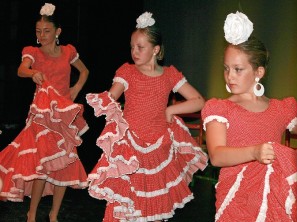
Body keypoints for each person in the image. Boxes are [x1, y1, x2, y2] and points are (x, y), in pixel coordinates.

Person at [85, 11, 208, 221]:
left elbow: (199, 100)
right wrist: (107, 101)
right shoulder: (128, 72)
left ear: (155, 49)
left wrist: (171, 110)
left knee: (156, 206)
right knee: (127, 206)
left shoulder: (169, 74)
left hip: (159, 148)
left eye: (140, 47)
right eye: (132, 46)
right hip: (131, 147)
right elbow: (113, 94)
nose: (134, 51)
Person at [201, 11, 297, 221]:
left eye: (238, 69)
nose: (230, 76)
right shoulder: (220, 108)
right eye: (227, 68)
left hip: (275, 199)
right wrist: (254, 152)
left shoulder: (281, 109)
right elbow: (217, 155)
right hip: (237, 201)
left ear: (259, 72)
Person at [0, 3, 89, 222]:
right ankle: (31, 214)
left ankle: (54, 215)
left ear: (57, 32)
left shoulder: (68, 51)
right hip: (43, 115)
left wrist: (76, 88)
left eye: (47, 31)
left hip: (65, 114)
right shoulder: (33, 52)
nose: (42, 35)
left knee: (65, 163)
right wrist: (33, 72)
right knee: (41, 165)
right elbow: (21, 70)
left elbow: (84, 71)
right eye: (38, 31)